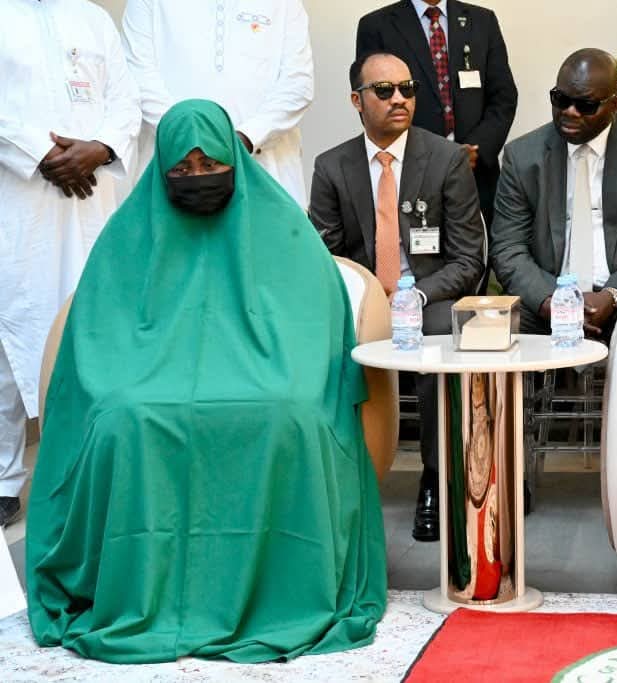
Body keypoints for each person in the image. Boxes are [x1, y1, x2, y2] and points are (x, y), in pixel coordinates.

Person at [27, 99, 386, 663]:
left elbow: (316, 319)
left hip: (265, 373)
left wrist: (285, 372)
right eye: (183, 168)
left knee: (290, 412)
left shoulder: (282, 227)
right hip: (149, 377)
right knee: (123, 418)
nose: (198, 177)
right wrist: (126, 382)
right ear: (162, 170)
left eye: (211, 164)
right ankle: (141, 594)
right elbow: (97, 329)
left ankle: (282, 593)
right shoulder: (127, 236)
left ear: (234, 161)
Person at [309, 52, 485, 543]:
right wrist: (370, 300)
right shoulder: (332, 166)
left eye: (407, 89)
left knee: (439, 339)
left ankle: (435, 477)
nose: (399, 99)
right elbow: (325, 258)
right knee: (319, 342)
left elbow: (468, 259)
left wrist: (415, 297)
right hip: (363, 301)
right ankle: (340, 475)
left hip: (429, 298)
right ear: (357, 100)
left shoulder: (446, 159)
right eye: (384, 91)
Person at [0, 0, 140, 528]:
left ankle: (96, 468)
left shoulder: (94, 17)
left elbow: (125, 102)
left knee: (96, 328)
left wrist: (100, 147)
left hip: (93, 201)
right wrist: (39, 154)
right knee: (12, 337)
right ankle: (4, 479)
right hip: (17, 198)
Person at [490, 49, 617, 340]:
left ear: (615, 104)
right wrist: (550, 301)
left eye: (586, 105)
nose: (570, 112)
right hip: (546, 299)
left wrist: (613, 294)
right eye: (561, 99)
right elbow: (508, 247)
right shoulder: (522, 156)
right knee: (495, 337)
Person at [122, 0, 314, 206]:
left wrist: (246, 138)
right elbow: (139, 77)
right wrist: (189, 138)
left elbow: (298, 85)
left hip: (265, 167)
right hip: (177, 172)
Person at [356, 0, 517, 228]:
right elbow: (372, 102)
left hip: (474, 174)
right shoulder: (376, 26)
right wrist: (416, 154)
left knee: (475, 246)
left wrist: (476, 150)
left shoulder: (482, 21)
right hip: (409, 172)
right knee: (412, 248)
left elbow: (503, 97)